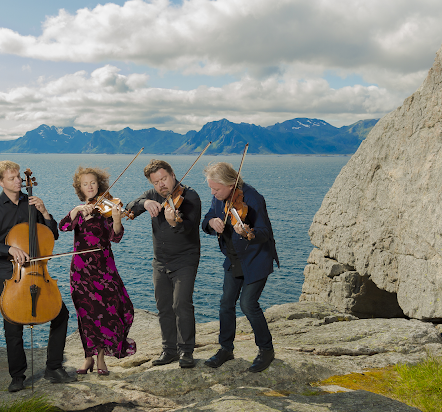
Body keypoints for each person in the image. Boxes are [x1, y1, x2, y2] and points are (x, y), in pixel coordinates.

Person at [0, 160, 73, 392]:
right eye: (12, 178)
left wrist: (45, 212)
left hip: (38, 273)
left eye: (19, 176)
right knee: (13, 324)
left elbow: (52, 236)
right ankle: (17, 376)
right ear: (0, 182)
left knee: (60, 314)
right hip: (11, 276)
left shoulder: (32, 204)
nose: (18, 181)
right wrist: (8, 249)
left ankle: (54, 367)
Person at [201, 162, 280, 373]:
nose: (213, 192)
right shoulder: (219, 197)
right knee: (226, 303)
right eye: (211, 188)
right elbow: (207, 217)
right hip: (234, 258)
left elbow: (264, 232)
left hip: (256, 259)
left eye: (216, 189)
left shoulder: (253, 197)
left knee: (248, 304)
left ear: (230, 183)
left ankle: (266, 350)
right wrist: (211, 223)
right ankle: (226, 349)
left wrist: (247, 232)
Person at [59, 167, 136, 375]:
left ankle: (101, 358)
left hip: (103, 269)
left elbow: (115, 237)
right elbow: (63, 227)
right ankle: (88, 358)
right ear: (80, 188)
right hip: (80, 271)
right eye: (85, 184)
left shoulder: (107, 210)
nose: (90, 186)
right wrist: (75, 211)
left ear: (99, 185)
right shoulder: (80, 211)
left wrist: (118, 219)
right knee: (85, 314)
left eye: (93, 183)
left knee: (104, 312)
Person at [126, 159, 201, 368]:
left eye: (164, 179)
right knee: (164, 306)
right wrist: (145, 203)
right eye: (156, 182)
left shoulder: (190, 196)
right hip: (160, 261)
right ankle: (169, 350)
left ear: (172, 174)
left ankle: (186, 351)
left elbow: (189, 229)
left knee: (181, 304)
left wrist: (173, 222)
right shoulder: (152, 195)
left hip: (185, 260)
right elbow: (130, 207)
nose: (161, 185)